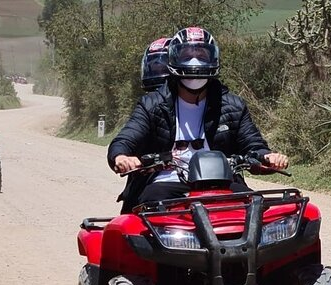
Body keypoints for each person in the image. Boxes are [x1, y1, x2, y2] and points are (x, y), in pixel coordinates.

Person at [108, 26, 289, 212]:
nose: (194, 61)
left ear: (213, 59)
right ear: (173, 59)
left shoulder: (233, 105)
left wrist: (267, 156)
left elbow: (253, 144)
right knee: (149, 209)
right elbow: (126, 138)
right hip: (166, 182)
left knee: (257, 208)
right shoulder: (152, 104)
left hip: (221, 182)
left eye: (202, 56)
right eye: (186, 56)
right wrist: (121, 156)